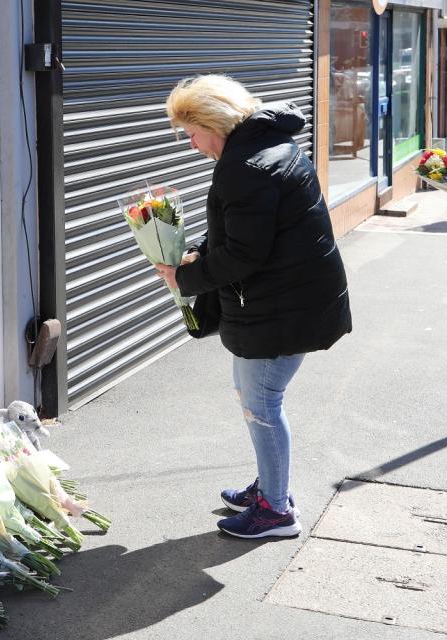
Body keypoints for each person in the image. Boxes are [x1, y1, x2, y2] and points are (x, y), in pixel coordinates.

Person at [156, 75, 351, 539]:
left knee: (261, 403)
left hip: (281, 307)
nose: (191, 145)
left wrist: (183, 278)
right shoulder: (268, 148)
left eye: (192, 134)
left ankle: (276, 511)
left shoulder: (245, 165)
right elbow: (246, 232)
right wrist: (202, 251)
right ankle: (271, 485)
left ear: (212, 123)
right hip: (291, 300)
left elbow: (246, 254)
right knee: (254, 397)